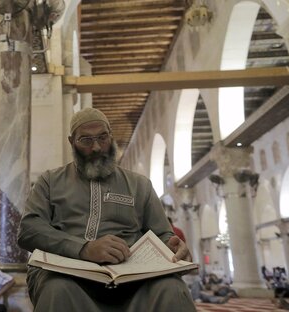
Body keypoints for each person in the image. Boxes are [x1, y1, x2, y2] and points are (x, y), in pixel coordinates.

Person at [18, 107, 196, 312]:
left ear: (111, 137)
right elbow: (29, 229)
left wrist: (173, 247)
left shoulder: (140, 185)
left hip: (133, 279)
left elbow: (163, 235)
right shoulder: (49, 181)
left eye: (102, 137)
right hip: (66, 275)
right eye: (86, 140)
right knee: (57, 290)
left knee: (172, 288)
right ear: (71, 142)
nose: (96, 147)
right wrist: (83, 248)